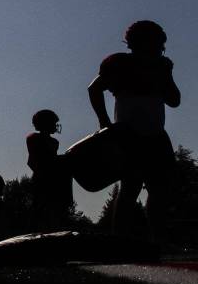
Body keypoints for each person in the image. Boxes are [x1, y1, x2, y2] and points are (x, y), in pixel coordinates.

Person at [88, 20, 181, 242]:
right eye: (157, 44)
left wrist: (166, 74)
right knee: (131, 188)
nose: (160, 49)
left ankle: (156, 241)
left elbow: (174, 100)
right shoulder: (120, 64)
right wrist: (104, 122)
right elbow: (94, 88)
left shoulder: (160, 67)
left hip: (156, 134)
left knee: (160, 190)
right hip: (129, 134)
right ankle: (120, 241)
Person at [26, 109, 71, 232]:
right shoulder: (34, 138)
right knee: (40, 212)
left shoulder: (54, 142)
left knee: (54, 213)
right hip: (42, 180)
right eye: (53, 123)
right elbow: (37, 161)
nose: (55, 126)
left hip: (52, 180)